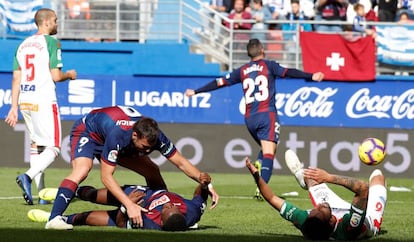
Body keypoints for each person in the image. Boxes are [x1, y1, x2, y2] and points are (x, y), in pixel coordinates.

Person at [185, 39, 324, 200]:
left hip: (250, 118)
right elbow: (289, 71)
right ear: (262, 50)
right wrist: (311, 76)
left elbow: (219, 82)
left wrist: (196, 91)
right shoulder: (269, 66)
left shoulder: (242, 70)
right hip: (267, 114)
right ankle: (262, 189)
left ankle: (259, 164)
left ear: (248, 54)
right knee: (269, 153)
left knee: (267, 151)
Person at [45, 106, 219, 230]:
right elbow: (106, 176)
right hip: (89, 132)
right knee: (82, 169)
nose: (147, 151)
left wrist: (205, 183)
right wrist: (129, 205)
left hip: (120, 140)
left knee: (152, 169)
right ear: (135, 136)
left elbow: (180, 162)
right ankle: (54, 218)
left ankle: (160, 215)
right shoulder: (119, 135)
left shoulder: (155, 137)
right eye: (144, 147)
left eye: (151, 148)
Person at [5, 8, 77, 205]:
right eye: (55, 20)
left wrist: (13, 107)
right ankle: (27, 177)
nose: (57, 24)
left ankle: (41, 194)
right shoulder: (52, 42)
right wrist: (69, 75)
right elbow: (55, 76)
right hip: (43, 99)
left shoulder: (22, 45)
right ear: (46, 22)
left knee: (37, 146)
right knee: (53, 147)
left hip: (25, 100)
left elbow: (16, 77)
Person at [245, 149, 387, 240]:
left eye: (313, 210)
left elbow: (271, 198)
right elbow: (363, 189)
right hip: (368, 218)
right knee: (378, 176)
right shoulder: (349, 228)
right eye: (320, 210)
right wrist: (329, 178)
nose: (317, 206)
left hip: (333, 210)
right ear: (331, 220)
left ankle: (301, 175)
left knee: (312, 176)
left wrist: (256, 175)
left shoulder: (309, 221)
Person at [29, 172, 212, 231]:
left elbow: (120, 224)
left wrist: (126, 206)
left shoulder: (149, 223)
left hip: (125, 211)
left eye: (166, 209)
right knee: (92, 194)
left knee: (85, 218)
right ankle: (70, 193)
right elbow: (199, 197)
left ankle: (51, 217)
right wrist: (204, 186)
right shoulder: (191, 211)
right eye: (174, 207)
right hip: (142, 192)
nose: (170, 205)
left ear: (161, 221)